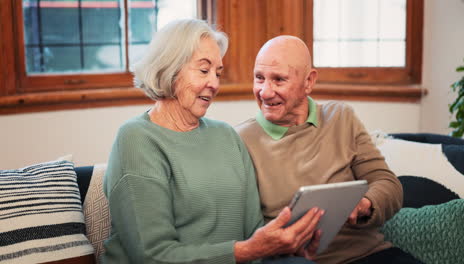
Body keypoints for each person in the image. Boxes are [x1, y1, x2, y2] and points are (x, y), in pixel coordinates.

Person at [102, 20, 323, 264]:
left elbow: (253, 231)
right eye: (204, 70)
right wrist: (247, 251)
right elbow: (153, 256)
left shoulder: (226, 136)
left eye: (218, 73)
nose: (215, 84)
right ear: (170, 68)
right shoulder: (137, 139)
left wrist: (285, 250)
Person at [236, 35, 423, 264]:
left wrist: (364, 204)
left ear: (309, 81)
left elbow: (388, 185)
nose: (265, 91)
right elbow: (243, 231)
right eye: (259, 78)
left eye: (279, 80)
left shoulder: (340, 118)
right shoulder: (241, 140)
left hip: (370, 254)